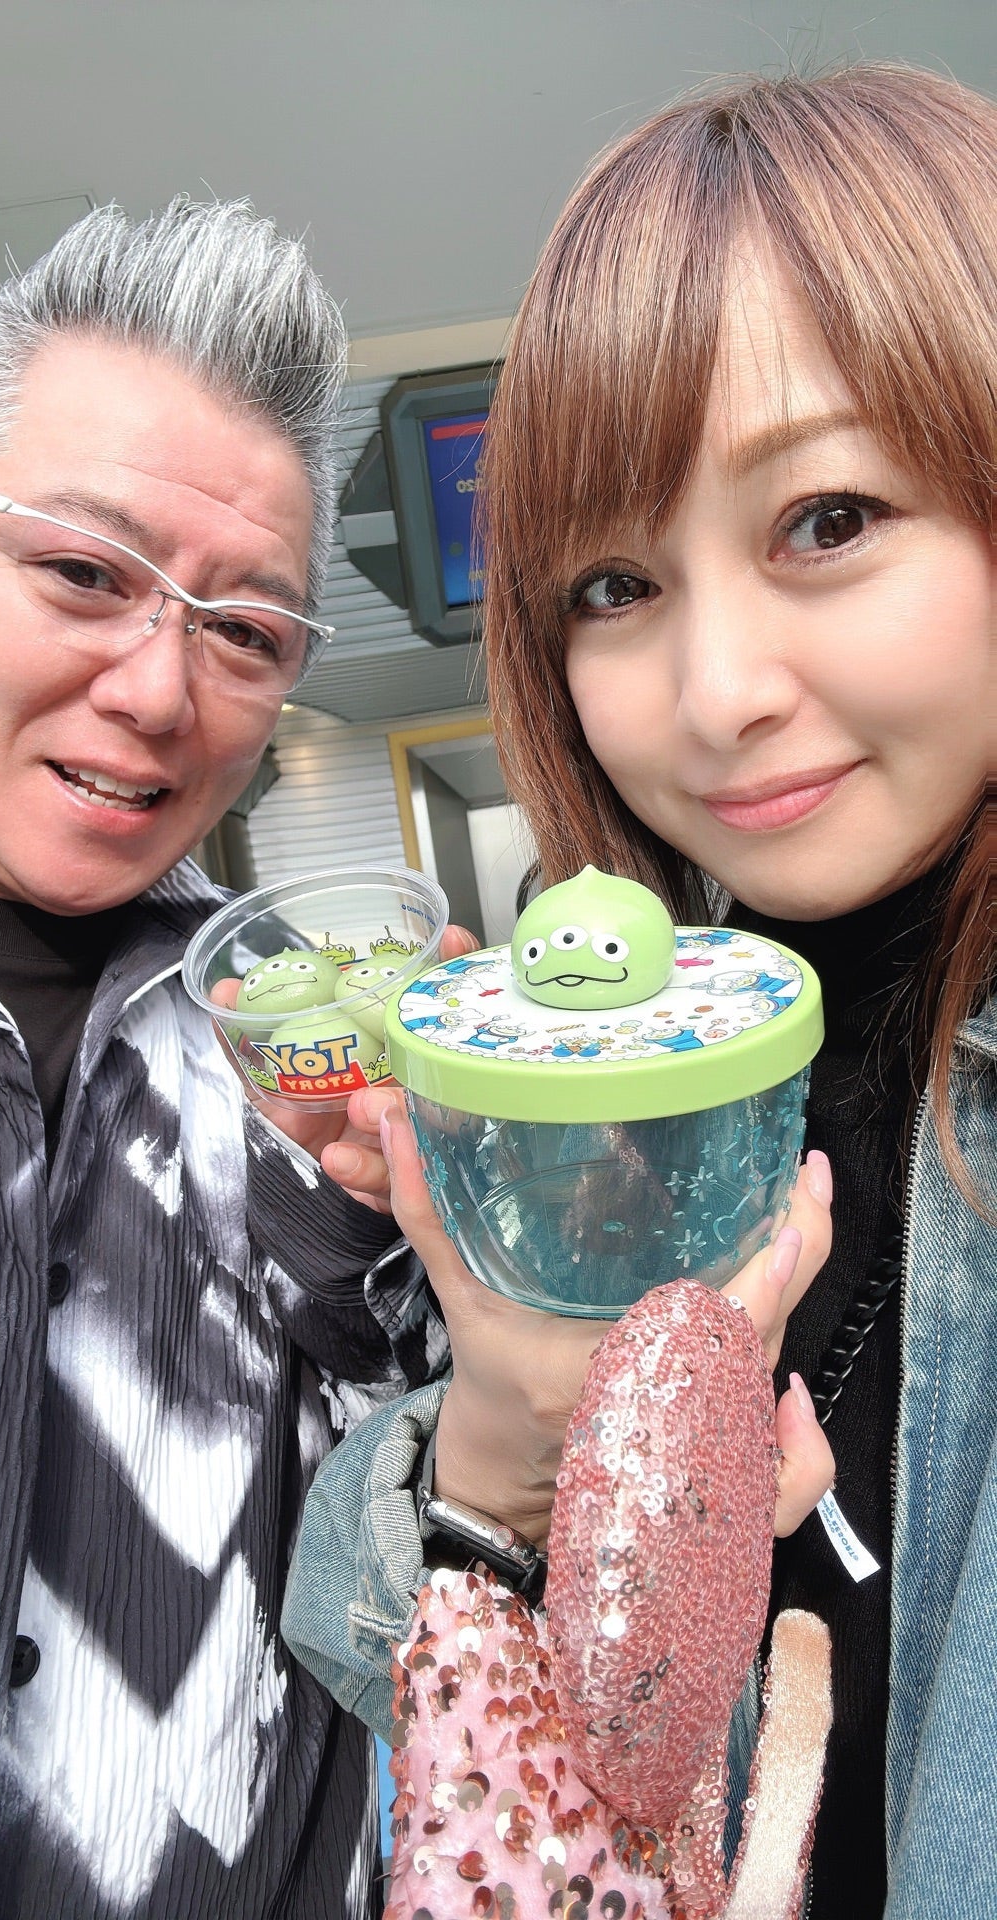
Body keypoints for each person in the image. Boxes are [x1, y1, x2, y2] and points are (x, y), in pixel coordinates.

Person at [283, 63, 996, 1920]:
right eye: (613, 581)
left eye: (828, 519)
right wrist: (503, 1450)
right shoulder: (658, 1090)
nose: (715, 693)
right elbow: (394, 1661)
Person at [0, 197, 462, 1920]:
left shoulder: (300, 1036)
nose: (161, 692)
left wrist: (476, 1233)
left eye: (244, 632)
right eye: (84, 573)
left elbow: (450, 1578)